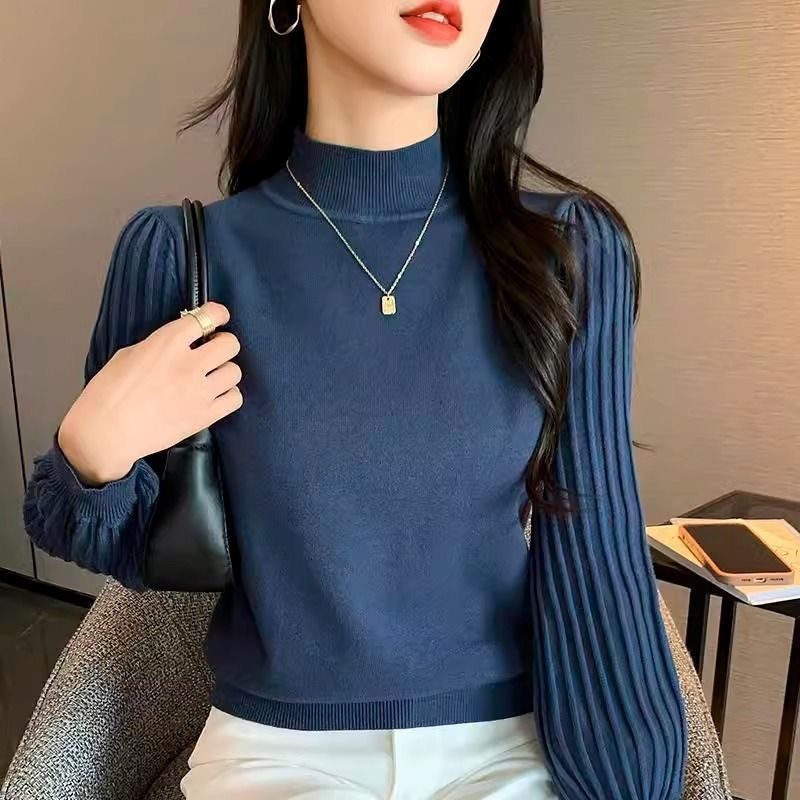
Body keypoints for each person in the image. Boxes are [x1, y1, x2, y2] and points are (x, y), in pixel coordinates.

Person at [22, 1, 688, 797]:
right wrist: (91, 454)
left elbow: (597, 552)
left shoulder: (569, 254)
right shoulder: (186, 258)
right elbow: (136, 552)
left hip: (509, 747)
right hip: (278, 754)